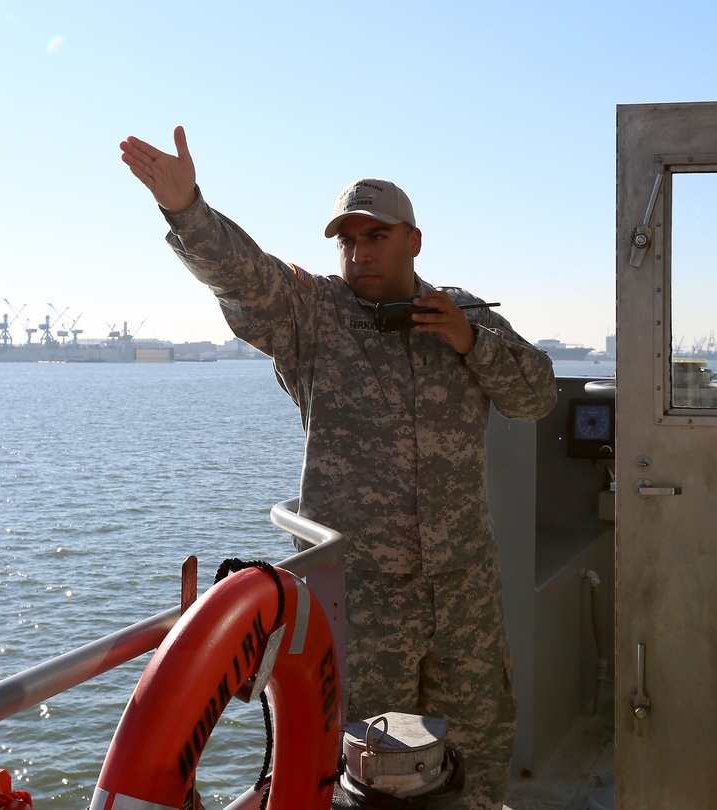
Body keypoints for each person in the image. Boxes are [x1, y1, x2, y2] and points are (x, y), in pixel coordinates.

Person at [120, 126, 557, 810]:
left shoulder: (460, 314)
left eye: (375, 236)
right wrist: (187, 211)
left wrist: (472, 341)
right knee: (364, 768)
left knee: (477, 747)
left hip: (462, 591)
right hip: (362, 597)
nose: (358, 252)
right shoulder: (315, 313)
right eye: (346, 240)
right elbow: (246, 275)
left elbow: (536, 394)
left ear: (414, 240)